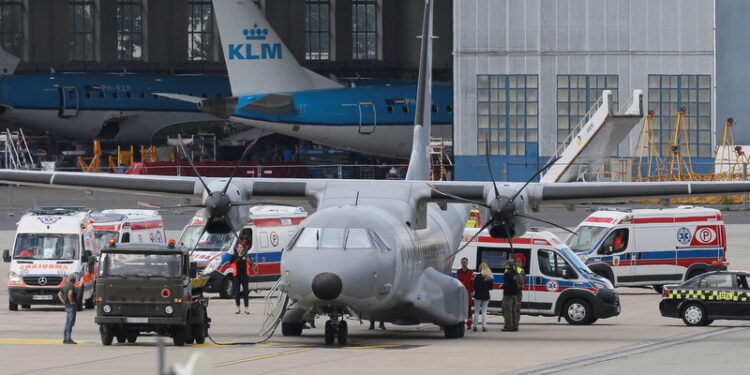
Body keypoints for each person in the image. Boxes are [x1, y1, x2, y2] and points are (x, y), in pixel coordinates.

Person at [229, 241, 253, 314]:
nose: (239, 249)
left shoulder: (246, 256)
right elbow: (231, 262)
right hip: (237, 276)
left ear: (243, 248)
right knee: (237, 292)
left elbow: (251, 266)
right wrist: (238, 256)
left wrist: (249, 262)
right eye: (238, 247)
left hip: (245, 276)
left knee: (245, 292)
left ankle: (246, 308)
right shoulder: (234, 256)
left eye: (240, 247)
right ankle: (238, 308)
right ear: (236, 248)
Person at [502, 259, 524, 332]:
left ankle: (508, 326)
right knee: (515, 311)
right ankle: (515, 326)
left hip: (508, 294)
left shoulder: (507, 273)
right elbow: (521, 284)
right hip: (516, 294)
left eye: (506, 264)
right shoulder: (518, 273)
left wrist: (502, 286)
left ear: (509, 265)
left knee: (508, 311)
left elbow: (507, 284)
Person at [57, 273, 78, 344]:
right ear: (74, 280)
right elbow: (70, 293)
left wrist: (64, 301)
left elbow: (59, 294)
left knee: (67, 323)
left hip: (67, 306)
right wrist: (71, 301)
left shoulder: (65, 285)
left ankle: (65, 338)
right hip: (71, 306)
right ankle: (68, 338)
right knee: (70, 323)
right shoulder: (71, 286)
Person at [472, 263, 493, 332]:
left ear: (480, 268)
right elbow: (491, 288)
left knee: (476, 311)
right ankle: (484, 326)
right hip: (486, 295)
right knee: (484, 311)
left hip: (478, 295)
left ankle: (475, 326)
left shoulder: (477, 277)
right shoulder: (489, 277)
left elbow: (474, 286)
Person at [455, 257, 475, 329]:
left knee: (468, 309)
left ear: (467, 263)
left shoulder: (471, 272)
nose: (464, 263)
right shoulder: (458, 272)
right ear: (461, 263)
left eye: (465, 262)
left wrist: (472, 291)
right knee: (460, 309)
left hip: (468, 293)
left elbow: (473, 283)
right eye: (462, 262)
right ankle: (461, 323)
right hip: (460, 293)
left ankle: (469, 323)